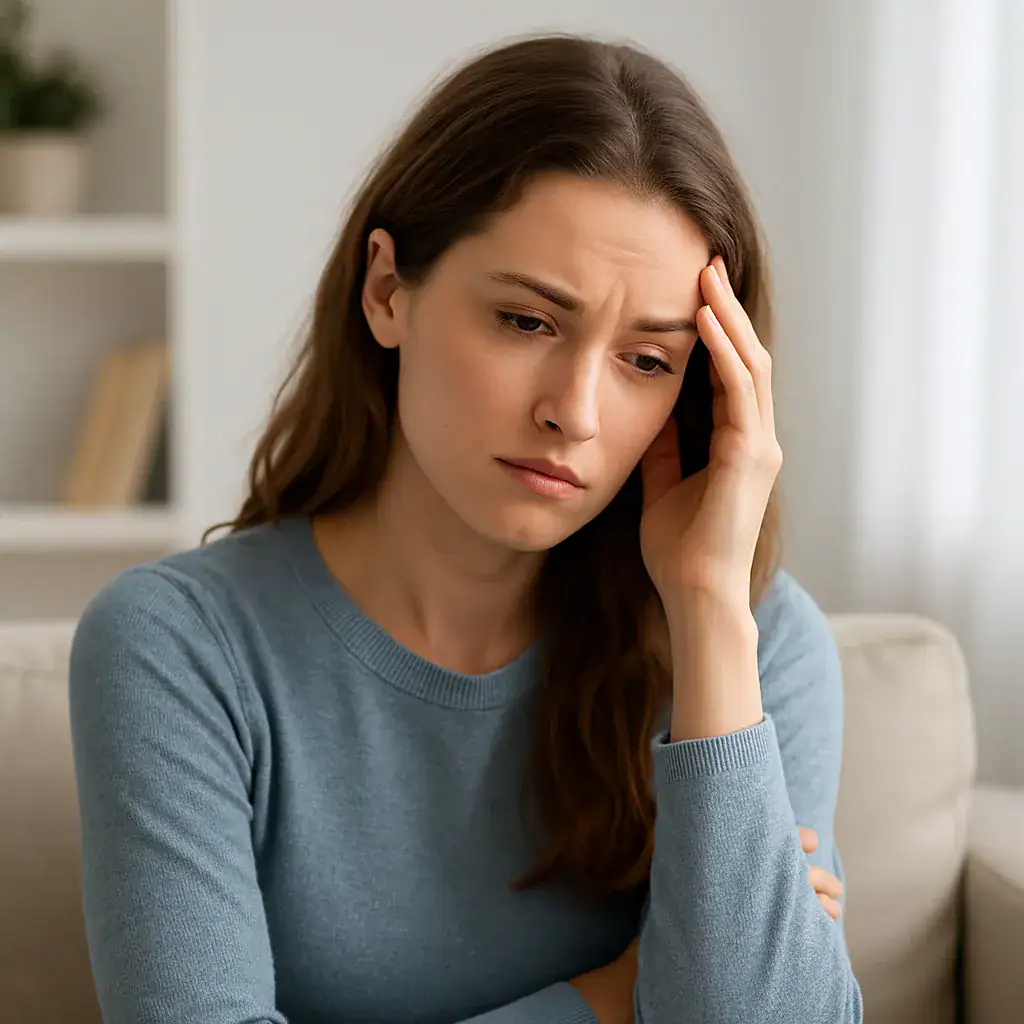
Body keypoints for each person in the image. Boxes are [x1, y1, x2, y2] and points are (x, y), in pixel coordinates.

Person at [68, 32, 863, 1024]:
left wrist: (706, 608)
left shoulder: (752, 646)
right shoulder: (178, 645)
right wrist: (616, 999)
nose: (574, 411)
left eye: (647, 361)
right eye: (528, 322)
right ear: (387, 290)